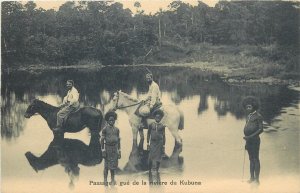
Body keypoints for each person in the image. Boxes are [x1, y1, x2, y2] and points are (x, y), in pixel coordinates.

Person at [242, 96, 263, 184]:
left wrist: (250, 137)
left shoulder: (258, 116)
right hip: (249, 140)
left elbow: (261, 129)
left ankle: (257, 180)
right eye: (247, 107)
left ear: (254, 106)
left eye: (249, 107)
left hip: (255, 140)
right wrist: (247, 140)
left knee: (255, 159)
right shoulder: (248, 116)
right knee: (251, 159)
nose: (248, 108)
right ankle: (252, 178)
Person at [100, 111, 121, 186]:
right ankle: (105, 180)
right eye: (110, 120)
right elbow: (102, 140)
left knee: (113, 166)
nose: (112, 121)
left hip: (115, 149)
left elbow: (118, 140)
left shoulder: (117, 129)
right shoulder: (105, 129)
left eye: (113, 120)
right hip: (107, 148)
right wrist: (103, 150)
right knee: (106, 166)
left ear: (115, 120)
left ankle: (112, 180)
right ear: (107, 121)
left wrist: (119, 150)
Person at [147, 109, 166, 179]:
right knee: (151, 157)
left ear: (161, 118)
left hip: (159, 143)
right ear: (154, 117)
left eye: (159, 117)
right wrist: (147, 143)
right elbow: (148, 134)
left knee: (158, 158)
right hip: (152, 142)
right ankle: (149, 170)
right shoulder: (151, 124)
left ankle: (157, 171)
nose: (158, 118)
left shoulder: (162, 126)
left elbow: (164, 136)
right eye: (156, 117)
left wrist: (164, 145)